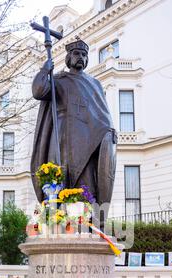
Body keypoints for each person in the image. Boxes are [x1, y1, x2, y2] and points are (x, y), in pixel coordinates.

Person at [31, 39, 117, 209]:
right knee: (60, 180)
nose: (81, 57)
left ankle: (85, 222)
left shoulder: (95, 84)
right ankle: (58, 218)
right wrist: (44, 70)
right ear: (68, 58)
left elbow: (104, 114)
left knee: (86, 182)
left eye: (84, 55)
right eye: (76, 53)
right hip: (62, 137)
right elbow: (39, 91)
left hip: (89, 140)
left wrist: (109, 133)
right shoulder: (59, 79)